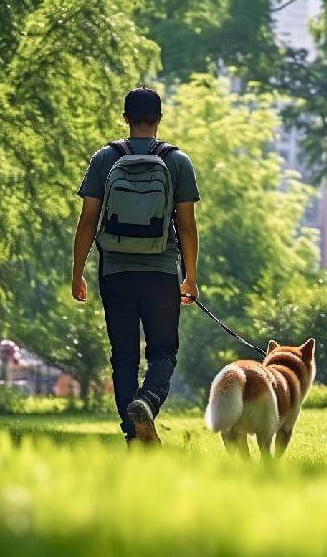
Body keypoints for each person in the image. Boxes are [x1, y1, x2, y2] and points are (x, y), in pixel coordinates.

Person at [71, 87, 200, 445]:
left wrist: (77, 271)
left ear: (126, 118)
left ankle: (133, 435)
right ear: (159, 119)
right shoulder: (177, 162)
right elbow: (187, 226)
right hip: (161, 271)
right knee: (163, 350)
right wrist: (190, 276)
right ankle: (147, 402)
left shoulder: (105, 159)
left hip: (116, 271)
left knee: (124, 356)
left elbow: (87, 221)